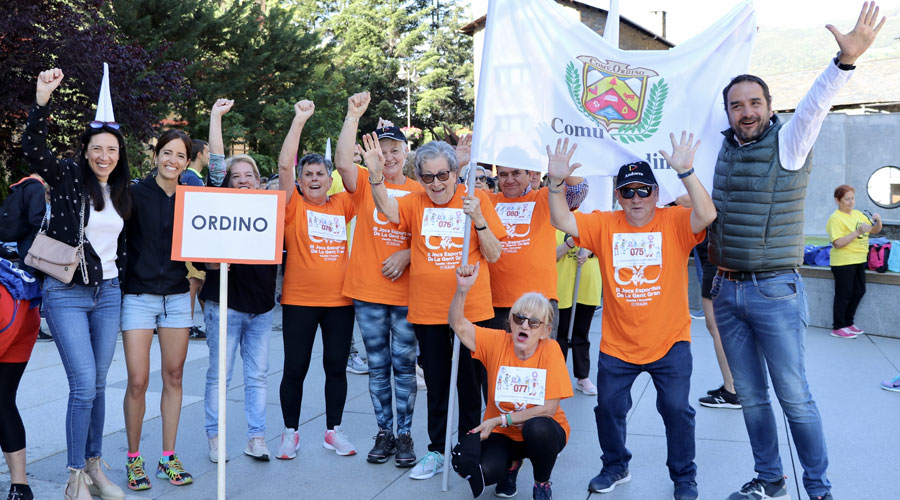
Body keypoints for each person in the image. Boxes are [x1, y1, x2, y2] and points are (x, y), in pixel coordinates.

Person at [707, 5, 884, 499]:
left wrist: (842, 63)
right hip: (726, 290)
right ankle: (770, 480)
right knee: (754, 401)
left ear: (768, 105)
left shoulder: (789, 143)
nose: (746, 111)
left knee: (795, 399)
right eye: (737, 105)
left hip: (774, 291)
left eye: (754, 102)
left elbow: (815, 106)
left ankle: (819, 488)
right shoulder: (721, 149)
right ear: (728, 113)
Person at [548, 133, 715, 500]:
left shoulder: (675, 221)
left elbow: (707, 214)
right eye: (628, 191)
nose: (636, 198)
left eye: (643, 190)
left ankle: (684, 476)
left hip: (670, 342)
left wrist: (685, 171)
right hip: (618, 344)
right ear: (618, 196)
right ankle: (615, 465)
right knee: (607, 408)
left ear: (656, 194)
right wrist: (556, 182)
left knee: (676, 411)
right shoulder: (605, 224)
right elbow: (561, 218)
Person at [363, 136, 505, 481]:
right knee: (439, 385)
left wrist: (479, 220)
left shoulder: (477, 198)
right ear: (421, 178)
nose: (437, 183)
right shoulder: (416, 201)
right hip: (429, 312)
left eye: (443, 175)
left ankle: (470, 451)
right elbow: (387, 210)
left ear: (456, 174)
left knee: (471, 387)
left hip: (471, 311)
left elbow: (495, 253)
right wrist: (376, 175)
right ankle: (438, 450)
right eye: (428, 177)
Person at [24, 68, 130, 500]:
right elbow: (33, 149)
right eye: (97, 148)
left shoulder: (125, 190)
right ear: (85, 151)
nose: (104, 155)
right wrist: (41, 100)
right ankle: (73, 477)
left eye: (112, 149)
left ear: (120, 154)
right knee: (84, 384)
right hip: (67, 292)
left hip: (109, 294)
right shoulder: (68, 177)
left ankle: (94, 466)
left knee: (100, 385)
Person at [333, 92, 421, 467]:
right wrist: (353, 115)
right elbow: (340, 161)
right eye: (381, 150)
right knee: (377, 366)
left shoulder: (420, 190)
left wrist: (408, 253)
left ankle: (405, 434)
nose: (388, 156)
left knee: (404, 366)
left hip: (407, 294)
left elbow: (436, 240)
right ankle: (384, 431)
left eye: (395, 149)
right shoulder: (365, 183)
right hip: (368, 292)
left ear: (405, 153)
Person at [276, 100, 359, 460]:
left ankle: (333, 432)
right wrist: (299, 120)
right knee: (295, 369)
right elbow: (283, 164)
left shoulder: (342, 203)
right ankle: (290, 434)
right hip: (299, 302)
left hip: (340, 302)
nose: (313, 179)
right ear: (301, 180)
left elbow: (351, 168)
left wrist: (351, 118)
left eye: (319, 175)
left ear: (329, 180)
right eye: (307, 174)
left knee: (335, 368)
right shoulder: (292, 204)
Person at [122, 129, 203, 491]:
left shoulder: (191, 199)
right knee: (138, 381)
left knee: (174, 377)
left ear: (188, 162)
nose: (172, 160)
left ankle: (167, 457)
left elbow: (202, 247)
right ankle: (133, 459)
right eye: (166, 153)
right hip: (137, 297)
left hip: (175, 297)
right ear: (156, 155)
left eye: (180, 156)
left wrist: (217, 262)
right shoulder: (134, 193)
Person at [449, 263, 573, 500]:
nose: (524, 325)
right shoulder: (497, 342)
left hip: (543, 431)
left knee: (539, 427)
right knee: (482, 470)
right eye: (519, 318)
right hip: (503, 434)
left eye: (533, 322)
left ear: (545, 331)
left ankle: (542, 482)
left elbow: (548, 408)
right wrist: (462, 291)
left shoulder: (550, 349)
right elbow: (459, 326)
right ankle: (511, 466)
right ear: (511, 321)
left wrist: (499, 418)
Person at [200, 98, 278, 463]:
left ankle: (256, 437)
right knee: (220, 376)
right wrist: (216, 117)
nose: (243, 180)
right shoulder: (220, 204)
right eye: (237, 176)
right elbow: (216, 163)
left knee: (258, 376)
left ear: (259, 182)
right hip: (225, 305)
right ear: (228, 184)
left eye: (249, 175)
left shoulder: (270, 209)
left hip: (261, 309)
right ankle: (216, 439)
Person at [483, 161, 587, 339]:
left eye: (516, 173)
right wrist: (461, 162)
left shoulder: (545, 197)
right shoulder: (488, 200)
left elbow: (578, 193)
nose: (509, 180)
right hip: (494, 302)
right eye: (503, 175)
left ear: (530, 174)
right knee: (496, 365)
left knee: (537, 364)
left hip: (539, 303)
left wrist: (562, 171)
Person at [0, 260, 42, 500]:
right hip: (13, 311)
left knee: (3, 399)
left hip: (21, 323)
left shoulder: (5, 314)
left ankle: (20, 485)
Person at [826, 184, 881, 338]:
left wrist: (878, 221)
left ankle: (848, 323)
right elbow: (837, 243)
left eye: (852, 198)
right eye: (847, 199)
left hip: (859, 260)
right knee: (844, 294)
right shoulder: (835, 218)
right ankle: (838, 327)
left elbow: (873, 230)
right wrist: (857, 232)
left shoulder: (857, 214)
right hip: (843, 262)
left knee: (859, 291)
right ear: (838, 200)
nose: (851, 202)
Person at [555, 225, 601, 396]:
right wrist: (569, 244)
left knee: (581, 332)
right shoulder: (551, 223)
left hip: (586, 283)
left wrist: (588, 251)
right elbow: (549, 255)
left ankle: (583, 377)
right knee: (560, 334)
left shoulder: (587, 221)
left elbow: (602, 245)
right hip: (563, 284)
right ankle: (557, 377)